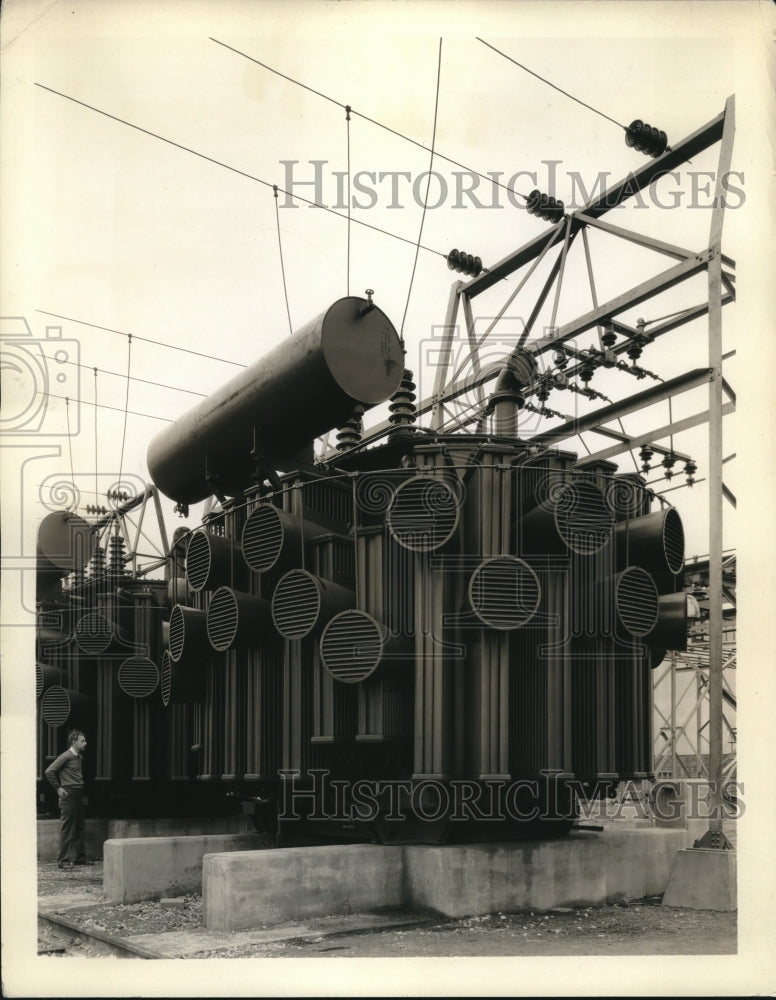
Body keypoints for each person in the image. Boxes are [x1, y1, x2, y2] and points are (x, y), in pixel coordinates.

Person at [44, 729, 93, 869]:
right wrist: (59, 789)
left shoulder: (79, 757)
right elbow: (49, 771)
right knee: (67, 828)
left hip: (78, 794)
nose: (85, 743)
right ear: (74, 742)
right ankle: (63, 861)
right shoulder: (66, 756)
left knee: (79, 827)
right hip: (69, 795)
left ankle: (79, 858)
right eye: (82, 741)